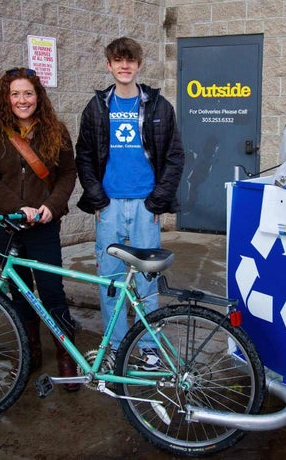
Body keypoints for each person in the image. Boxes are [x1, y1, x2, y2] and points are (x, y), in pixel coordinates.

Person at [75, 37, 184, 367]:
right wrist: (96, 198)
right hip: (108, 207)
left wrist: (157, 203)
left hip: (144, 208)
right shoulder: (96, 108)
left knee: (146, 280)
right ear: (108, 66)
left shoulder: (158, 107)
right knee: (109, 280)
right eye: (118, 61)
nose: (125, 66)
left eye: (130, 60)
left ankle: (150, 344)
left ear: (139, 65)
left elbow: (175, 156)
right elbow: (84, 156)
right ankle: (116, 344)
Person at [0, 67, 79, 391]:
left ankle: (66, 355)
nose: (23, 100)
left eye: (28, 93)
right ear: (6, 98)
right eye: (15, 94)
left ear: (38, 96)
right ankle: (30, 351)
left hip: (44, 226)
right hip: (8, 226)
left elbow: (67, 174)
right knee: (19, 294)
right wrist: (16, 208)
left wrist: (52, 206)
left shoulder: (56, 131)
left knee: (52, 291)